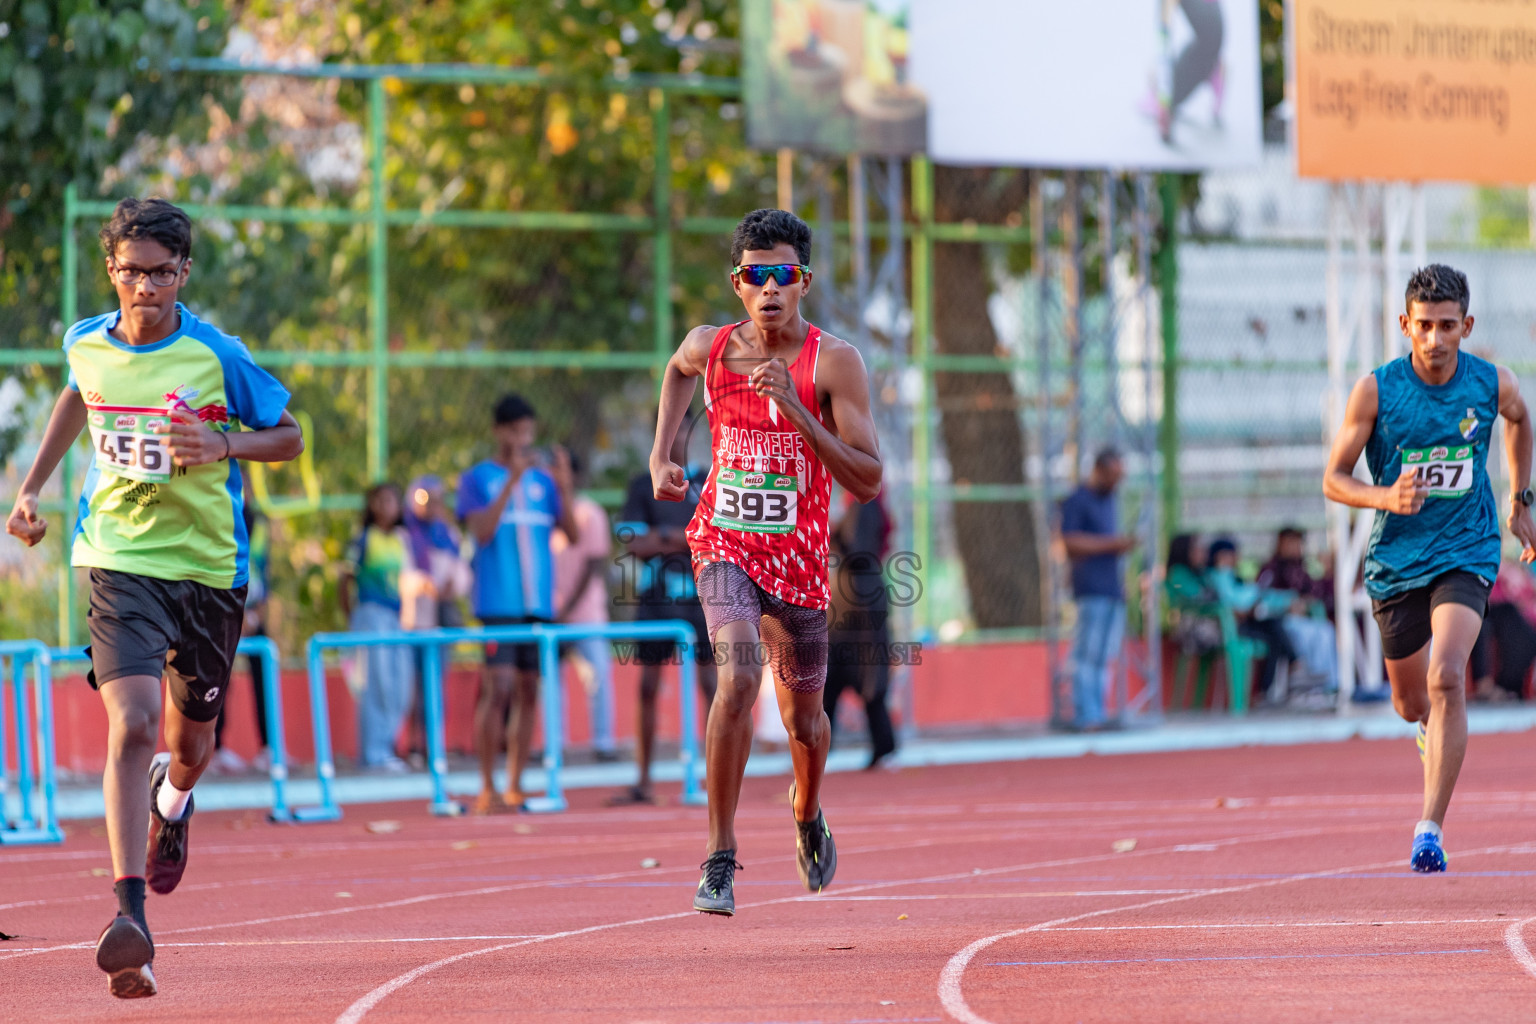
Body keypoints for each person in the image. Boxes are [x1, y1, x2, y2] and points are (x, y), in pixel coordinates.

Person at [5, 197, 302, 997]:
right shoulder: (86, 343)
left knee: (191, 746)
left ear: (184, 274)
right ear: (113, 271)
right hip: (117, 559)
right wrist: (32, 489)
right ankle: (127, 920)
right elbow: (79, 392)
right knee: (132, 724)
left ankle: (174, 805)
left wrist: (224, 442)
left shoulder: (216, 354)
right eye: (132, 272)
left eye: (162, 274)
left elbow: (291, 434)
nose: (146, 288)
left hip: (208, 569)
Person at [651, 208, 883, 915]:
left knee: (805, 726)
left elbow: (868, 478)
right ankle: (719, 858)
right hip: (724, 543)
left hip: (803, 565)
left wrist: (801, 412)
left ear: (804, 282)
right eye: (757, 277)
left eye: (783, 275)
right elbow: (676, 370)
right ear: (739, 284)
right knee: (739, 675)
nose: (771, 289)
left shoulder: (833, 361)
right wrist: (664, 451)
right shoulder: (713, 347)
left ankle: (807, 811)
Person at [1323, 263, 1536, 873]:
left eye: (1448, 326)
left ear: (1466, 325)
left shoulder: (1491, 384)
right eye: (1425, 326)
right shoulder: (1376, 391)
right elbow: (1333, 478)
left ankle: (1429, 829)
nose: (1436, 339)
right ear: (1405, 325)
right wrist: (1382, 495)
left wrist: (1520, 500)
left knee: (1448, 676)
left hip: (1466, 550)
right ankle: (1427, 729)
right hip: (1395, 562)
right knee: (1412, 702)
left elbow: (1521, 419)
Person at [457, 393, 578, 814]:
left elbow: (573, 535)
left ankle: (514, 782)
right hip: (497, 601)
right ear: (499, 431)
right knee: (499, 687)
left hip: (538, 603)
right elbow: (482, 532)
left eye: (527, 430)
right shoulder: (476, 478)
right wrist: (511, 480)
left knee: (529, 689)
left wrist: (564, 484)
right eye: (514, 430)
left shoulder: (544, 482)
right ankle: (487, 785)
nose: (521, 437)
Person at [611, 414, 718, 805]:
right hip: (656, 600)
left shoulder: (707, 483)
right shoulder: (644, 485)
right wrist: (683, 538)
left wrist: (668, 538)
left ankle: (715, 777)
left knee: (712, 686)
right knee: (648, 686)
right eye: (667, 432)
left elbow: (716, 537)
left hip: (702, 596)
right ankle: (644, 779)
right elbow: (635, 544)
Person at [340, 483, 418, 773]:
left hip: (395, 618)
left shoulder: (401, 539)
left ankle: (387, 744)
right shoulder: (362, 540)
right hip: (370, 616)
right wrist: (353, 618)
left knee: (400, 685)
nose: (387, 507)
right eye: (381, 501)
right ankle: (374, 753)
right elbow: (345, 580)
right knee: (376, 684)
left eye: (392, 501)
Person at [1060, 448, 1137, 730]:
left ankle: (1099, 712)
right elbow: (1069, 541)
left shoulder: (1110, 502)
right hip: (1090, 588)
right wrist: (1113, 544)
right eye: (1114, 476)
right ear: (1099, 470)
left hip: (1111, 588)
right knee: (1087, 654)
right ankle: (1085, 713)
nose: (1117, 483)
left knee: (1106, 655)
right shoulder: (1078, 500)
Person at [551, 450, 618, 761]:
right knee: (550, 684)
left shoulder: (590, 513)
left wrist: (567, 609)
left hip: (585, 613)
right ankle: (556, 745)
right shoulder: (545, 512)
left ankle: (603, 743)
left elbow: (593, 565)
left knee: (598, 678)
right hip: (550, 613)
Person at [823, 487, 897, 768]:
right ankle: (820, 748)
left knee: (867, 674)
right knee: (831, 676)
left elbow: (857, 548)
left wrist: (829, 535)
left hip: (858, 603)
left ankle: (883, 744)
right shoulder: (861, 503)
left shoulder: (864, 504)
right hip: (850, 600)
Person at [401, 474, 471, 764]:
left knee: (435, 682)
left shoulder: (449, 535)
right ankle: (413, 743)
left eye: (436, 498)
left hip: (439, 619)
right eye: (424, 497)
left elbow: (461, 570)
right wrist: (422, 584)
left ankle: (433, 745)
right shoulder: (403, 533)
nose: (431, 504)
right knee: (411, 684)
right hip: (412, 620)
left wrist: (452, 585)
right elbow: (401, 573)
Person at [210, 502, 271, 774]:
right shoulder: (215, 519)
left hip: (252, 612)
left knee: (264, 672)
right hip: (221, 611)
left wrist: (255, 612)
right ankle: (215, 748)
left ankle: (269, 748)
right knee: (217, 678)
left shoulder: (260, 528)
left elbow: (263, 573)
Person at [1206, 536, 1298, 703]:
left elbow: (1248, 598)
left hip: (1244, 624)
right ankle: (1293, 665)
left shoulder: (1234, 577)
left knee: (1274, 632)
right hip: (1230, 630)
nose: (1232, 559)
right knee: (1274, 631)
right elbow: (1233, 603)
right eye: (1226, 555)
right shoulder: (1217, 576)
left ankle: (1270, 689)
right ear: (1216, 557)